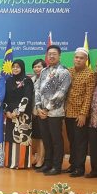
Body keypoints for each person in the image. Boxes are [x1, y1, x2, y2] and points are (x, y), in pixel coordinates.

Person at [34, 45, 71, 176]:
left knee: (56, 140)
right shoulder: (43, 71)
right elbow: (37, 89)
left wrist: (46, 108)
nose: (51, 56)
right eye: (49, 54)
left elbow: (61, 93)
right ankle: (47, 163)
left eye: (54, 54)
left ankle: (56, 166)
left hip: (55, 112)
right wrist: (38, 107)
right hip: (41, 112)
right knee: (46, 139)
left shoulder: (64, 72)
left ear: (59, 55)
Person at [65, 48, 95, 177]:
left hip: (80, 115)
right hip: (68, 112)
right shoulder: (69, 72)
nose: (78, 59)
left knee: (80, 142)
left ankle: (79, 167)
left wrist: (83, 114)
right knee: (72, 140)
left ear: (86, 60)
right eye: (76, 57)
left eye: (81, 58)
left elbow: (89, 96)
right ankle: (73, 164)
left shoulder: (90, 74)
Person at [3, 59, 34, 169]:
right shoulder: (9, 80)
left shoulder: (27, 81)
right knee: (10, 137)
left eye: (18, 67)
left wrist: (18, 111)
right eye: (14, 66)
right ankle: (10, 162)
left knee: (22, 138)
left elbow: (27, 97)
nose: (15, 69)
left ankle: (22, 163)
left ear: (22, 68)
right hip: (10, 115)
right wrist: (7, 111)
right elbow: (5, 98)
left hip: (23, 115)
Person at [30, 59, 46, 168]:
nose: (37, 69)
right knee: (34, 137)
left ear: (44, 67)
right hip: (33, 112)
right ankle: (36, 156)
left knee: (41, 138)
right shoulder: (32, 79)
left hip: (43, 112)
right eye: (35, 67)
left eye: (39, 66)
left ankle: (41, 158)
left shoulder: (47, 79)